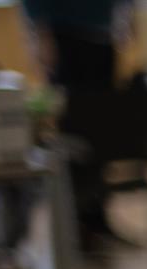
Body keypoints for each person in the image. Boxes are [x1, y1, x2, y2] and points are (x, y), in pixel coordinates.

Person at [20, 0, 132, 252]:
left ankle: (98, 218)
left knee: (102, 131)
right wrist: (39, 32)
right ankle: (77, 226)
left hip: (103, 33)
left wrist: (126, 12)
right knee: (73, 130)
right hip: (64, 33)